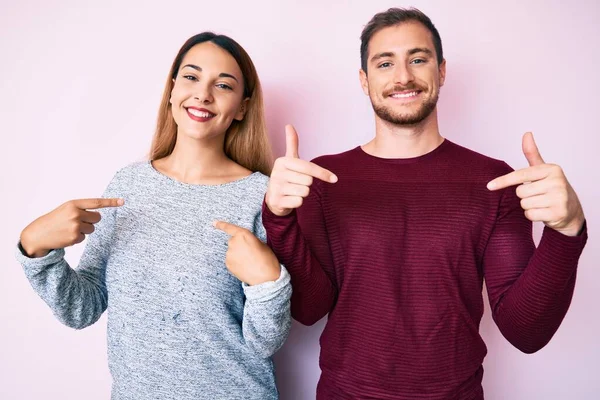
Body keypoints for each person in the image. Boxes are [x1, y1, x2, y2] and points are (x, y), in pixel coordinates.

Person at [262, 8, 588, 400]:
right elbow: (309, 308)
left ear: (442, 71)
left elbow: (527, 331)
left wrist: (566, 234)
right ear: (365, 81)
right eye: (385, 63)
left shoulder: (495, 181)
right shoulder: (323, 179)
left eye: (418, 59)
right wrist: (279, 220)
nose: (403, 76)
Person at [16, 32, 291, 400]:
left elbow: (263, 344)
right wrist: (37, 250)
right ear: (173, 89)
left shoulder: (261, 196)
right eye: (191, 77)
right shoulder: (128, 184)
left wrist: (268, 284)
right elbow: (82, 309)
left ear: (242, 107)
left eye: (223, 85)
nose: (203, 94)